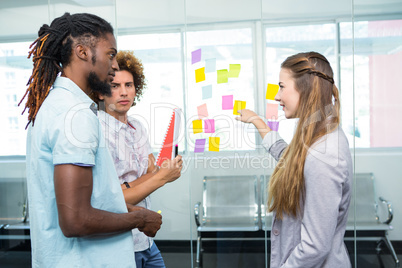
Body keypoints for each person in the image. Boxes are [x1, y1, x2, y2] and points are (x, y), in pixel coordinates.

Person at [20, 13, 162, 268]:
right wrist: (139, 221)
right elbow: (76, 220)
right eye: (110, 54)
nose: (115, 65)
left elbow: (92, 200)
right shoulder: (74, 116)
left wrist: (136, 211)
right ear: (82, 52)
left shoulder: (57, 105)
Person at [236, 52, 352, 267]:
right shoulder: (317, 134)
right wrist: (257, 121)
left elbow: (315, 246)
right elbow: (292, 160)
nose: (277, 97)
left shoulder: (324, 153)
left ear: (305, 88)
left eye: (281, 86)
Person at [95, 50, 183, 268]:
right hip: (118, 245)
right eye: (115, 86)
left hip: (146, 241)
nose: (124, 92)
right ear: (100, 92)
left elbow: (149, 174)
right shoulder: (96, 130)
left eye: (129, 85)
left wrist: (136, 184)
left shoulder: (138, 127)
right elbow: (112, 201)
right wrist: (160, 177)